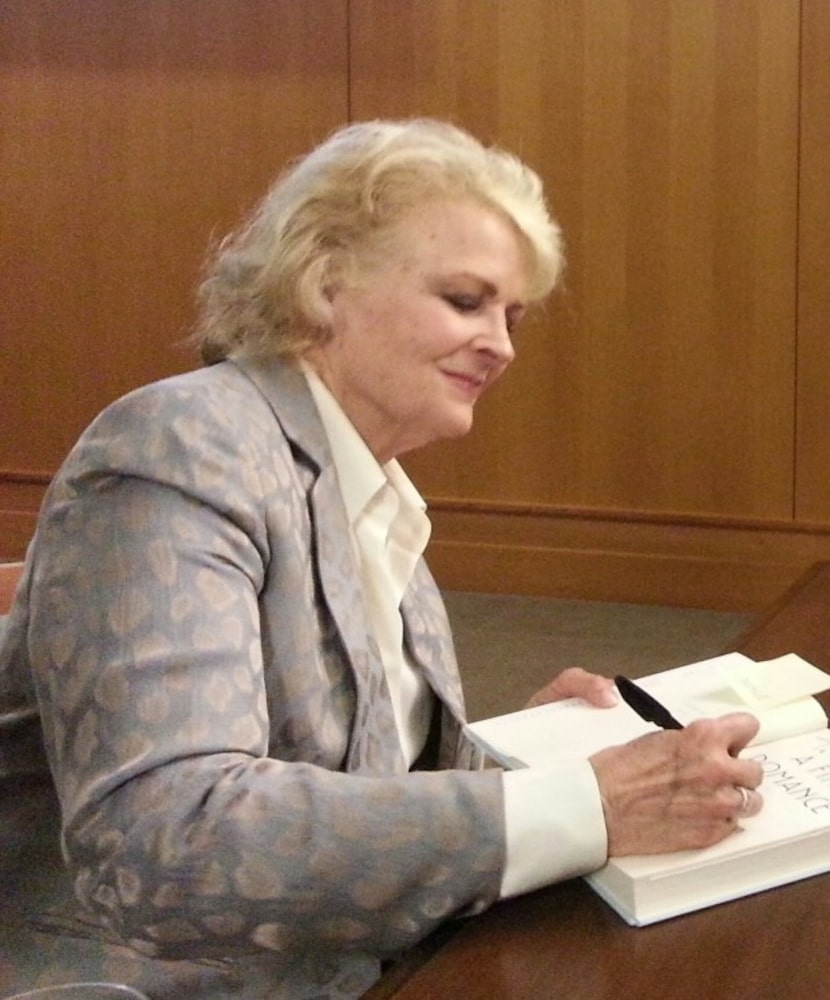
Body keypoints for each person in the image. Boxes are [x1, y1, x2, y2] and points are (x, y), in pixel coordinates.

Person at [0, 119, 763, 999]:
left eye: (511, 316)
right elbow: (166, 840)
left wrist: (527, 755)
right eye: (466, 301)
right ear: (326, 284)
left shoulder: (370, 485)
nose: (502, 345)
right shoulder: (184, 443)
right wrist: (586, 801)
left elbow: (348, 775)